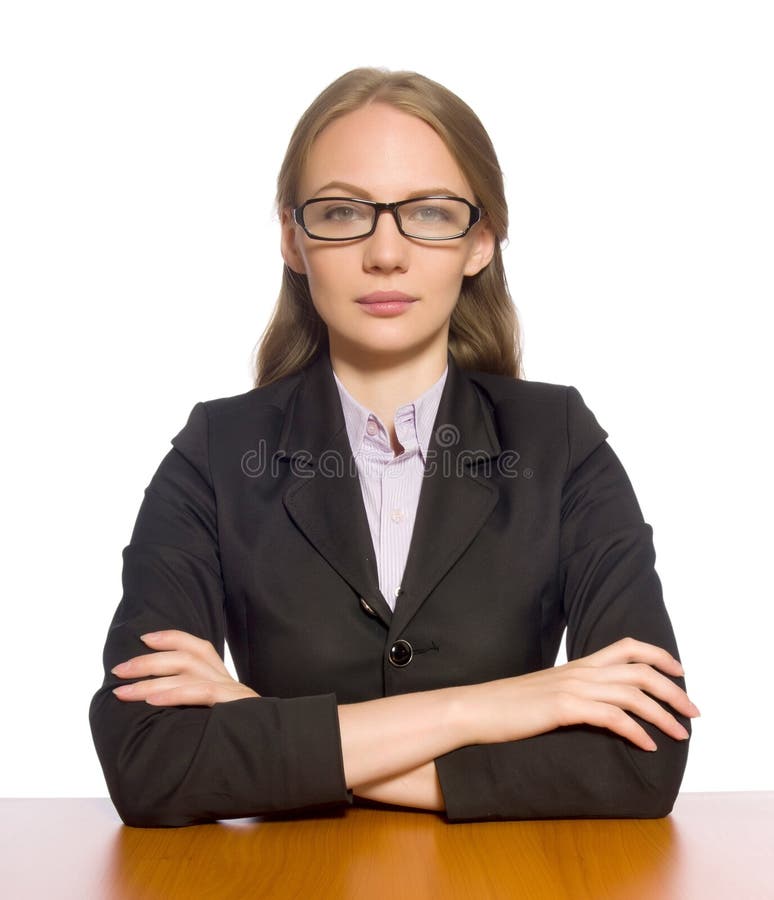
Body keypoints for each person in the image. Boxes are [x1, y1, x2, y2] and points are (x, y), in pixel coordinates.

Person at [89, 67, 698, 828]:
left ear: (481, 240)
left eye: (431, 213)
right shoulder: (216, 452)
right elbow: (149, 762)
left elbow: (641, 759)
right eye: (343, 212)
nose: (385, 253)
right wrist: (500, 707)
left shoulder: (559, 440)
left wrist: (261, 723)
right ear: (292, 236)